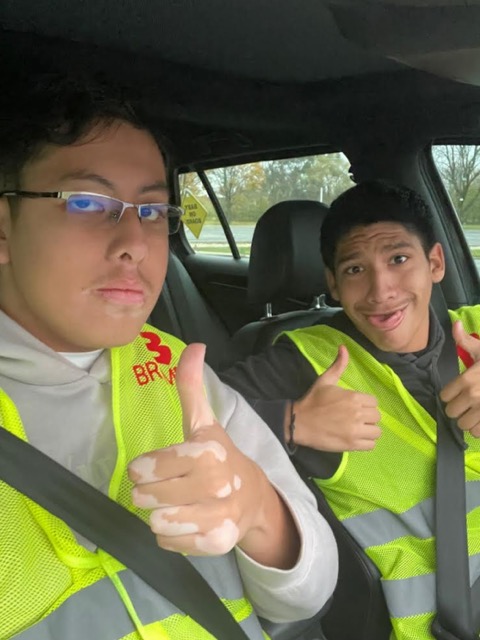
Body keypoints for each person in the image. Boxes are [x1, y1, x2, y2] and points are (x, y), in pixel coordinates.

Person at [0, 72, 338, 640]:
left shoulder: (181, 373)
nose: (134, 241)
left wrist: (256, 506)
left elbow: (311, 595)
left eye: (153, 212)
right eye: (86, 202)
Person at [221, 180, 480, 640]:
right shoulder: (304, 361)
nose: (381, 290)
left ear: (435, 263)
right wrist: (291, 420)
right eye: (356, 269)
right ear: (333, 285)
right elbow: (185, 417)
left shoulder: (475, 326)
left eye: (399, 260)